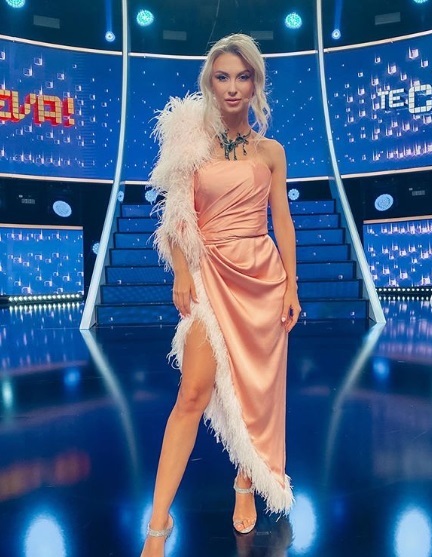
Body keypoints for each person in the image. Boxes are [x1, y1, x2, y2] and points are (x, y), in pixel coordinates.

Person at [141, 33, 301, 557]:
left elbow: (282, 220)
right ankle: (157, 523)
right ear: (209, 84)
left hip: (262, 278)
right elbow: (176, 217)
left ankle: (246, 479)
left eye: (243, 76)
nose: (233, 87)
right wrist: (180, 273)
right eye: (222, 77)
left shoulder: (272, 152)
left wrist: (292, 285)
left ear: (256, 83)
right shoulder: (191, 144)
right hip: (209, 275)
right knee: (192, 393)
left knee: (255, 390)